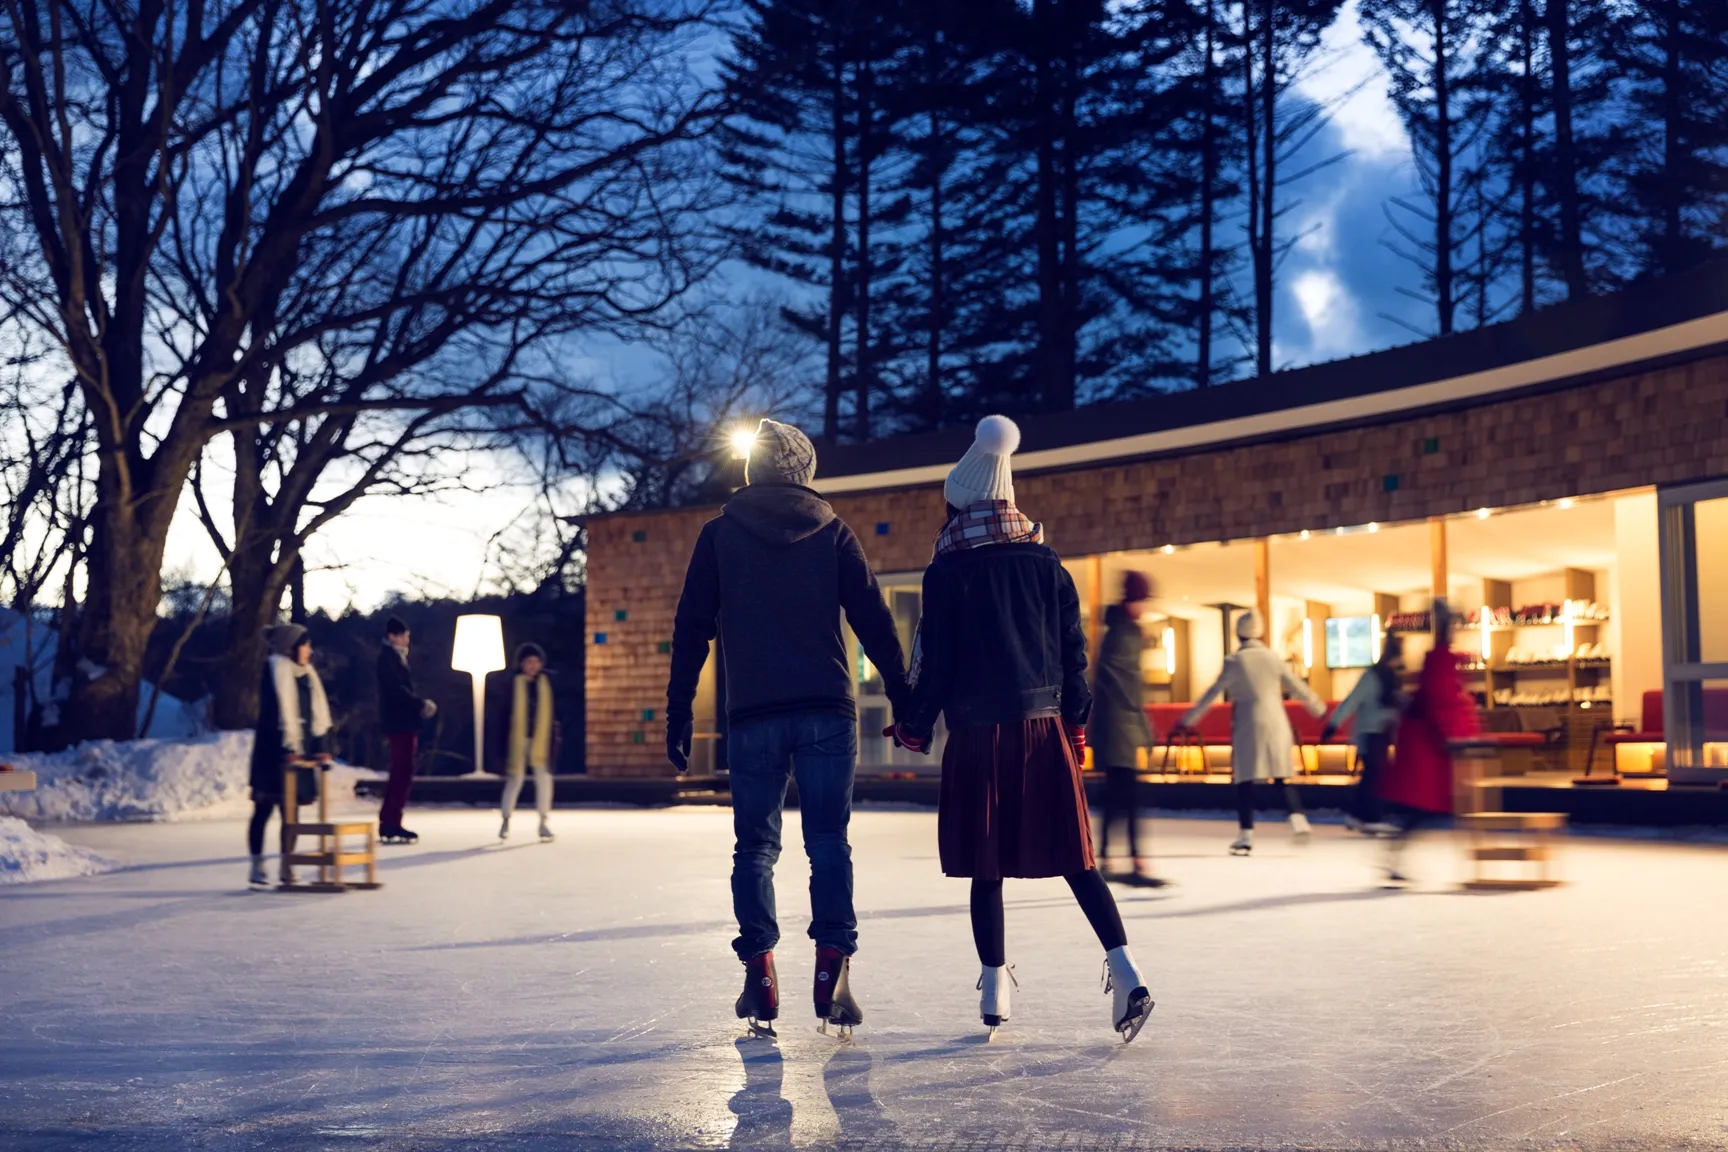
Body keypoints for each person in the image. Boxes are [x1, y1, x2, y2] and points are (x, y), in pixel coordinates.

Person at [894, 415, 1153, 1044]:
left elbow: (938, 664)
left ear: (959, 503)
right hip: (1043, 732)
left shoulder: (947, 569)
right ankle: (1127, 972)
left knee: (987, 866)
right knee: (1076, 859)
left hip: (978, 736)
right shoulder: (1046, 562)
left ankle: (995, 988)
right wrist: (1076, 724)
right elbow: (1073, 656)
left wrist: (914, 725)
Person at [666, 418, 909, 1039]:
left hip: (754, 715)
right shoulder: (833, 532)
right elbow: (874, 619)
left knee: (755, 848)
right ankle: (833, 970)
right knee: (828, 840)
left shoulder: (719, 536)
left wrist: (678, 710)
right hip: (826, 708)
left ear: (752, 472)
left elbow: (691, 628)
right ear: (805, 473)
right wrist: (904, 694)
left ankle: (761, 974)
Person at [1178, 610, 1325, 856]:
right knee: (1280, 775)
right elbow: (1297, 686)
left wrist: (1188, 719)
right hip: (1277, 721)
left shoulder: (1235, 661)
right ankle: (1299, 821)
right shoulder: (1272, 657)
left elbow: (1212, 693)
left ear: (1239, 632)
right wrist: (1318, 708)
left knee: (1245, 780)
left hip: (1249, 723)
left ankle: (1245, 836)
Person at [1378, 600, 1478, 885]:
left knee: (1422, 807)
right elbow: (1442, 703)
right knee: (1422, 806)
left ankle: (1394, 854)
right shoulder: (1441, 661)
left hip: (1426, 741)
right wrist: (1455, 735)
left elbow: (1441, 701)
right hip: (1428, 745)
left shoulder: (1438, 660)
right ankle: (1394, 854)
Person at [1090, 570, 1167, 888]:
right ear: (1132, 600)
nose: (1145, 607)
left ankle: (1107, 858)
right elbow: (1126, 683)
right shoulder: (1125, 634)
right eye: (1142, 600)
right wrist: (1144, 728)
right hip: (1120, 727)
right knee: (1128, 796)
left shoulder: (1119, 631)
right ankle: (1130, 861)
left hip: (1115, 726)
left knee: (1117, 796)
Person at [248, 623, 332, 888]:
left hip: (300, 753)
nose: (309, 651)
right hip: (272, 755)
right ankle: (257, 863)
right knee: (263, 809)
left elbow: (316, 717)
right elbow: (273, 718)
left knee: (291, 813)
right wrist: (286, 751)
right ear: (289, 648)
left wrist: (321, 748)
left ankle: (288, 862)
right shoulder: (274, 671)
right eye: (305, 645)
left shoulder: (307, 677)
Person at [1321, 634, 1404, 835]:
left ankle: (1359, 815)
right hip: (1369, 733)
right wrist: (1333, 725)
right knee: (1374, 775)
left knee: (1374, 775)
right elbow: (1352, 701)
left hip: (1381, 733)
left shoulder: (1390, 678)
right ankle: (1369, 817)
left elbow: (1396, 704)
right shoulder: (1373, 677)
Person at [375, 616, 435, 845]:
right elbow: (397, 690)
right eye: (403, 636)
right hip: (399, 723)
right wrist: (419, 704)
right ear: (392, 636)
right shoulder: (388, 659)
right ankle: (391, 820)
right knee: (402, 770)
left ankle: (390, 819)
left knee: (402, 771)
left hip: (402, 722)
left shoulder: (394, 658)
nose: (406, 640)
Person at [494, 642, 558, 842]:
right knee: (515, 779)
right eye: (529, 662)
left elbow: (554, 714)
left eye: (536, 662)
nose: (533, 666)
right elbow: (501, 716)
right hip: (517, 738)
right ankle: (506, 818)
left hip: (541, 738)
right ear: (521, 663)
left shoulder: (547, 683)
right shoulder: (512, 684)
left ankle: (543, 821)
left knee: (544, 779)